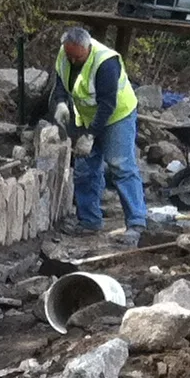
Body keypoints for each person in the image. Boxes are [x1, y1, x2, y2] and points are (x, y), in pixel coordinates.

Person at [57, 26, 145, 244]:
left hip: (117, 116)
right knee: (85, 169)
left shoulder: (106, 62)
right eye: (69, 56)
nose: (73, 61)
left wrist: (90, 135)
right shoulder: (65, 54)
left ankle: (136, 224)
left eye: (77, 57)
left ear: (87, 48)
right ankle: (89, 221)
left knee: (121, 166)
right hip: (86, 116)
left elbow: (107, 104)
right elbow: (60, 81)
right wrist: (60, 103)